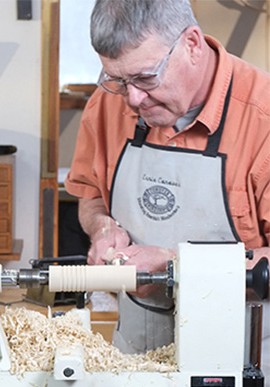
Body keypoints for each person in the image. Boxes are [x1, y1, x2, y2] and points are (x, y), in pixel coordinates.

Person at [65, 0, 270, 355]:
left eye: (146, 77)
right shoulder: (107, 106)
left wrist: (173, 266)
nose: (133, 98)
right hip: (137, 349)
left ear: (191, 44)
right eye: (119, 80)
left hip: (244, 354)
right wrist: (101, 227)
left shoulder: (262, 119)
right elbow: (91, 193)